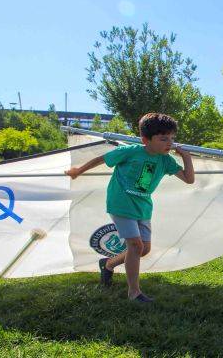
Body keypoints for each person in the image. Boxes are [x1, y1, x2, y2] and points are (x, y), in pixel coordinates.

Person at [66, 113, 195, 303]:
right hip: (121, 203)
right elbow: (102, 158)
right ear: (146, 139)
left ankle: (108, 264)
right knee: (135, 245)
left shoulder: (165, 160)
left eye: (171, 138)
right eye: (163, 139)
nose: (169, 143)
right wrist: (78, 171)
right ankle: (134, 293)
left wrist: (187, 157)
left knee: (143, 249)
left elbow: (188, 179)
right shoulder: (131, 151)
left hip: (142, 207)